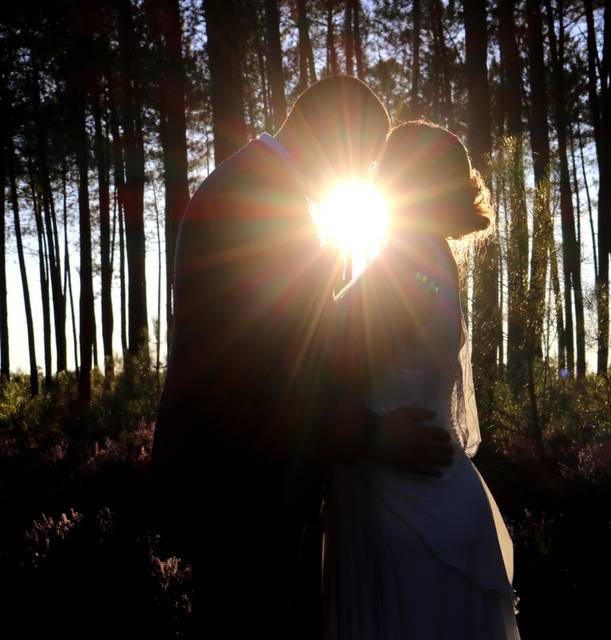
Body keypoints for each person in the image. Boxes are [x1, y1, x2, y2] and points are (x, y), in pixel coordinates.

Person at [150, 77, 453, 637]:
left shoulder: (260, 188)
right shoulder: (256, 203)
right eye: (361, 160)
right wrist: (373, 434)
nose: (361, 176)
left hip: (249, 479)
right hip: (241, 490)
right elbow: (264, 374)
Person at [322, 121, 520, 639]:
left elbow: (324, 380)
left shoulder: (406, 271)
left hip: (400, 508)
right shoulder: (432, 260)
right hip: (427, 497)